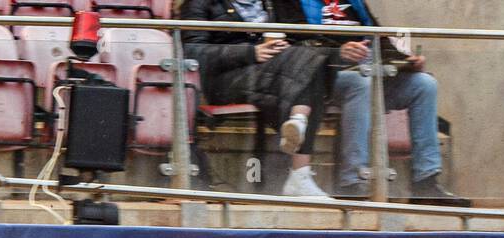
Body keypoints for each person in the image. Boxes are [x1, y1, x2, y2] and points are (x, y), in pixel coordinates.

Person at [286, 0, 469, 206]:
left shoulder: (354, 3)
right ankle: (352, 182)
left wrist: (405, 60)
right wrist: (338, 52)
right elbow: (297, 48)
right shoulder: (296, 3)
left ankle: (425, 182)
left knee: (424, 84)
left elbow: (378, 39)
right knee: (360, 82)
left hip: (370, 72)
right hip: (327, 78)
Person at [181, 0, 338, 197]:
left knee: (312, 63)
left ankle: (298, 123)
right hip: (223, 80)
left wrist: (280, 46)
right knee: (309, 66)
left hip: (272, 72)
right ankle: (299, 167)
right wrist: (250, 52)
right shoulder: (198, 3)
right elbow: (192, 52)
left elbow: (297, 36)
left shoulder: (269, 2)